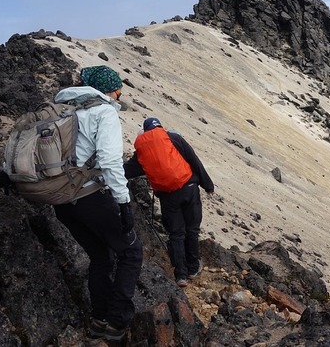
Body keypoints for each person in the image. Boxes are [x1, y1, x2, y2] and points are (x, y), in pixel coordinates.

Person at [51, 65, 142, 341]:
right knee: (131, 253)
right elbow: (110, 160)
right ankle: (116, 323)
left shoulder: (62, 109)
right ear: (107, 89)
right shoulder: (104, 112)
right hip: (89, 195)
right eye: (117, 89)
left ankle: (99, 321)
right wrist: (124, 203)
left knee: (101, 256)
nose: (119, 94)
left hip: (61, 201)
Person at [124, 117, 214, 288]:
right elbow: (194, 160)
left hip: (167, 196)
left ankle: (181, 275)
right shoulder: (173, 137)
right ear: (160, 128)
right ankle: (193, 268)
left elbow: (128, 170)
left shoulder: (142, 150)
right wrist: (207, 185)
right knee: (192, 229)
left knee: (176, 234)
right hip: (188, 188)